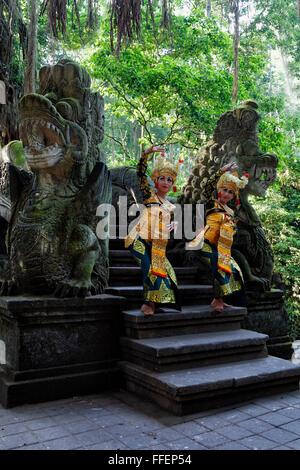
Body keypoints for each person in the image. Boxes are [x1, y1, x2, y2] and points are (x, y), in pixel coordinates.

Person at [125, 145, 181, 316]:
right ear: (156, 181)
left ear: (172, 185)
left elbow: (165, 225)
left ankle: (154, 303)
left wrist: (174, 225)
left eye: (169, 180)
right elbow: (140, 173)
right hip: (137, 238)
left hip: (154, 243)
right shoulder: (149, 194)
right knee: (148, 269)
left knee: (163, 270)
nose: (166, 182)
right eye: (162, 178)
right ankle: (147, 304)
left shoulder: (170, 207)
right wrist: (146, 154)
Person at [188, 162, 248, 312]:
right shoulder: (211, 203)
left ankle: (221, 298)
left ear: (233, 196)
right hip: (204, 241)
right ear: (218, 190)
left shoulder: (231, 212)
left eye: (230, 192)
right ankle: (217, 299)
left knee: (236, 270)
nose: (226, 194)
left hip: (221, 246)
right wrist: (222, 171)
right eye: (224, 190)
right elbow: (208, 186)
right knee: (217, 263)